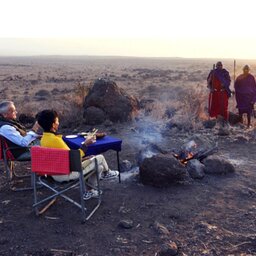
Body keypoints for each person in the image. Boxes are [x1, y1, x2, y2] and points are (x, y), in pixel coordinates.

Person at [37, 109, 119, 200]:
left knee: (99, 167)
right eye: (57, 120)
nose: (58, 122)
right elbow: (73, 159)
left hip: (54, 172)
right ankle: (107, 173)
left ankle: (89, 191)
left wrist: (85, 159)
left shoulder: (44, 139)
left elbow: (64, 158)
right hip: (65, 174)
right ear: (53, 125)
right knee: (99, 157)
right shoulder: (56, 140)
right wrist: (85, 144)